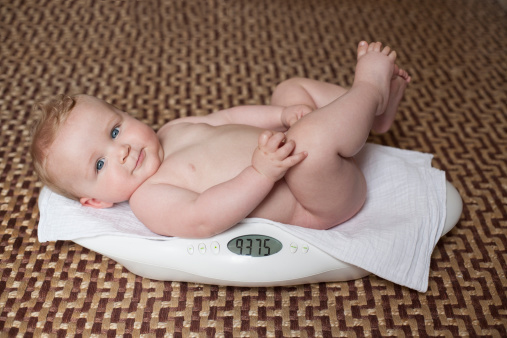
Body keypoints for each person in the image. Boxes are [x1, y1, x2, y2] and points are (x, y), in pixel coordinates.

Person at [31, 41, 411, 238]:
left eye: (115, 131)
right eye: (99, 164)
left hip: (284, 146)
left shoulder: (171, 130)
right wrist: (260, 173)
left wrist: (280, 116)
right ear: (96, 201)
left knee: (289, 90)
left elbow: (228, 118)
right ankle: (369, 89)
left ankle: (373, 117)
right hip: (316, 197)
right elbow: (203, 218)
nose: (123, 151)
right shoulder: (150, 197)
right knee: (309, 145)